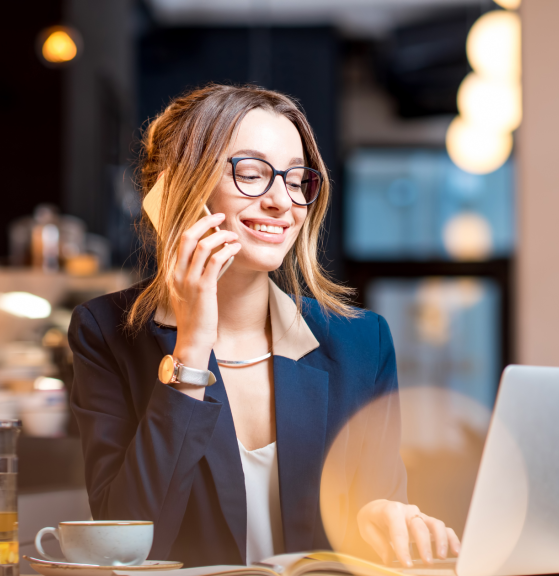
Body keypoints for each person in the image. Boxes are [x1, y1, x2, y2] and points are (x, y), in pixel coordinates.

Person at [68, 84, 460, 568]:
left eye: (297, 180)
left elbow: (374, 526)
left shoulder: (361, 342)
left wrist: (380, 519)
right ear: (176, 193)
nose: (283, 202)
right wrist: (192, 346)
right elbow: (129, 548)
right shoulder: (104, 333)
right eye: (251, 174)